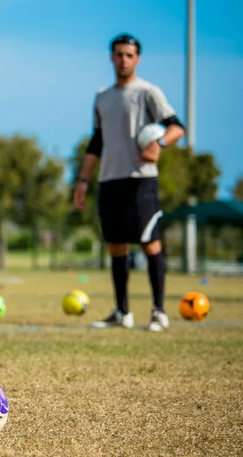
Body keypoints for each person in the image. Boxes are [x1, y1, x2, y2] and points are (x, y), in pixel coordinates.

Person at [73, 34, 186, 332]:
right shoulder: (102, 96)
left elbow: (177, 127)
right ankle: (122, 312)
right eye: (119, 54)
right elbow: (97, 141)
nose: (124, 60)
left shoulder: (148, 92)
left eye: (129, 55)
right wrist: (83, 181)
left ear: (137, 59)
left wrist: (159, 142)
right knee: (116, 247)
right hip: (110, 179)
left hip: (141, 181)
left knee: (150, 243)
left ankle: (159, 312)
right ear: (111, 57)